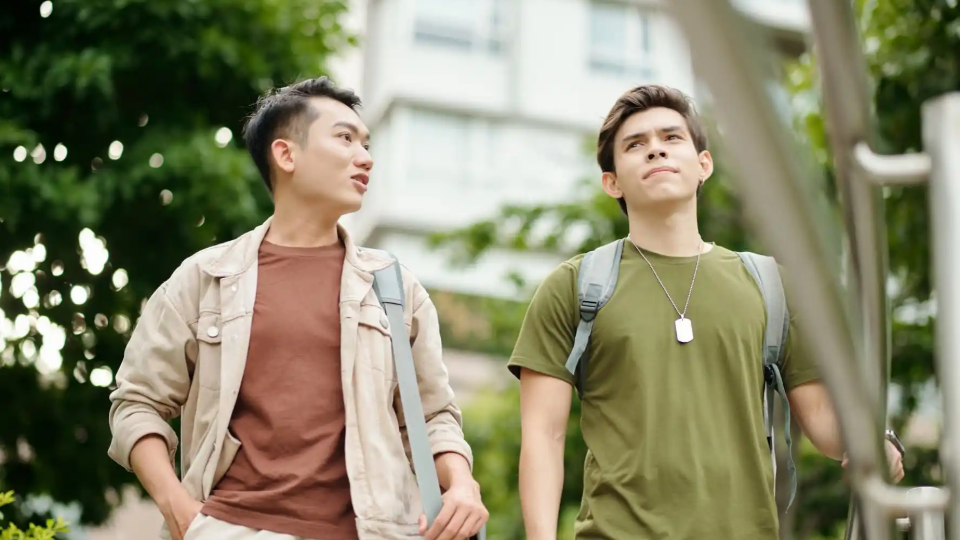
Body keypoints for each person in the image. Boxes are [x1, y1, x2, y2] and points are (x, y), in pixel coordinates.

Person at [508, 84, 905, 540]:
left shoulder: (772, 284)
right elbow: (543, 438)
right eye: (636, 145)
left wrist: (872, 438)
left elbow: (821, 421)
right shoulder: (574, 286)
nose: (655, 150)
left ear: (704, 165)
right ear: (612, 181)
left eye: (671, 138)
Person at [107, 76, 488, 540]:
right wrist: (182, 513)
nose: (365, 157)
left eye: (366, 144)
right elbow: (137, 402)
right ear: (286, 154)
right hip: (233, 530)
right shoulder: (206, 277)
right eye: (345, 138)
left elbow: (433, 417)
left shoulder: (394, 287)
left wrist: (463, 485)